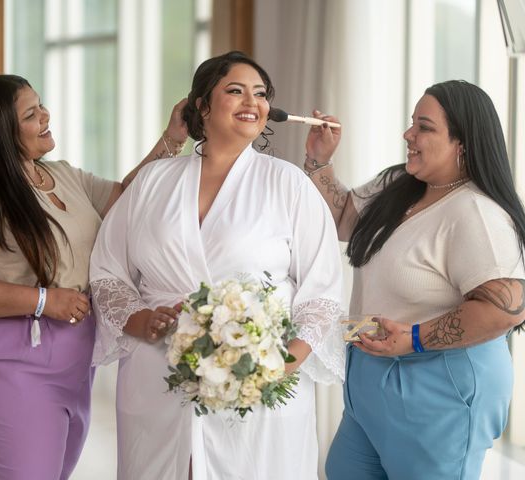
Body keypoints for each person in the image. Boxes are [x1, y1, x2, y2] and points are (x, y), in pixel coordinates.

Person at [89, 50, 345, 479]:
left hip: (256, 383)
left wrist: (277, 363)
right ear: (202, 106)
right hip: (159, 373)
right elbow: (107, 272)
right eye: (235, 90)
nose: (253, 102)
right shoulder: (153, 182)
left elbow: (322, 292)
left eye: (261, 94)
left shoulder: (288, 185)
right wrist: (141, 319)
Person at [0, 74, 188, 480]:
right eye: (31, 114)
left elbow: (130, 202)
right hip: (6, 356)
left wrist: (174, 137)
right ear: (0, 133)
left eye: (40, 105)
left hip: (75, 354)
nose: (46, 115)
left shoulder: (61, 175)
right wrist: (45, 300)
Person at [302, 80, 525, 480]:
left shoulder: (477, 214)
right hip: (370, 373)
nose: (409, 134)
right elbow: (341, 219)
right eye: (411, 124)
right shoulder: (398, 187)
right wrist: (319, 161)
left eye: (424, 126)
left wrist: (416, 338)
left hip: (437, 383)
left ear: (462, 142)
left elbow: (505, 309)